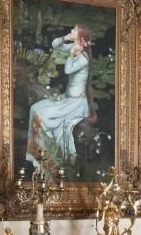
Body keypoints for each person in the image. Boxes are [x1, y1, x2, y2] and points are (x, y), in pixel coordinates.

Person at [25, 25, 92, 172]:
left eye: (74, 31)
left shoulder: (84, 58)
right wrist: (65, 38)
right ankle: (36, 153)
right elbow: (55, 44)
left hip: (76, 103)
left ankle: (47, 155)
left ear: (81, 38)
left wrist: (72, 54)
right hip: (66, 99)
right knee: (34, 108)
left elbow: (68, 70)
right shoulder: (74, 47)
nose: (71, 31)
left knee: (42, 116)